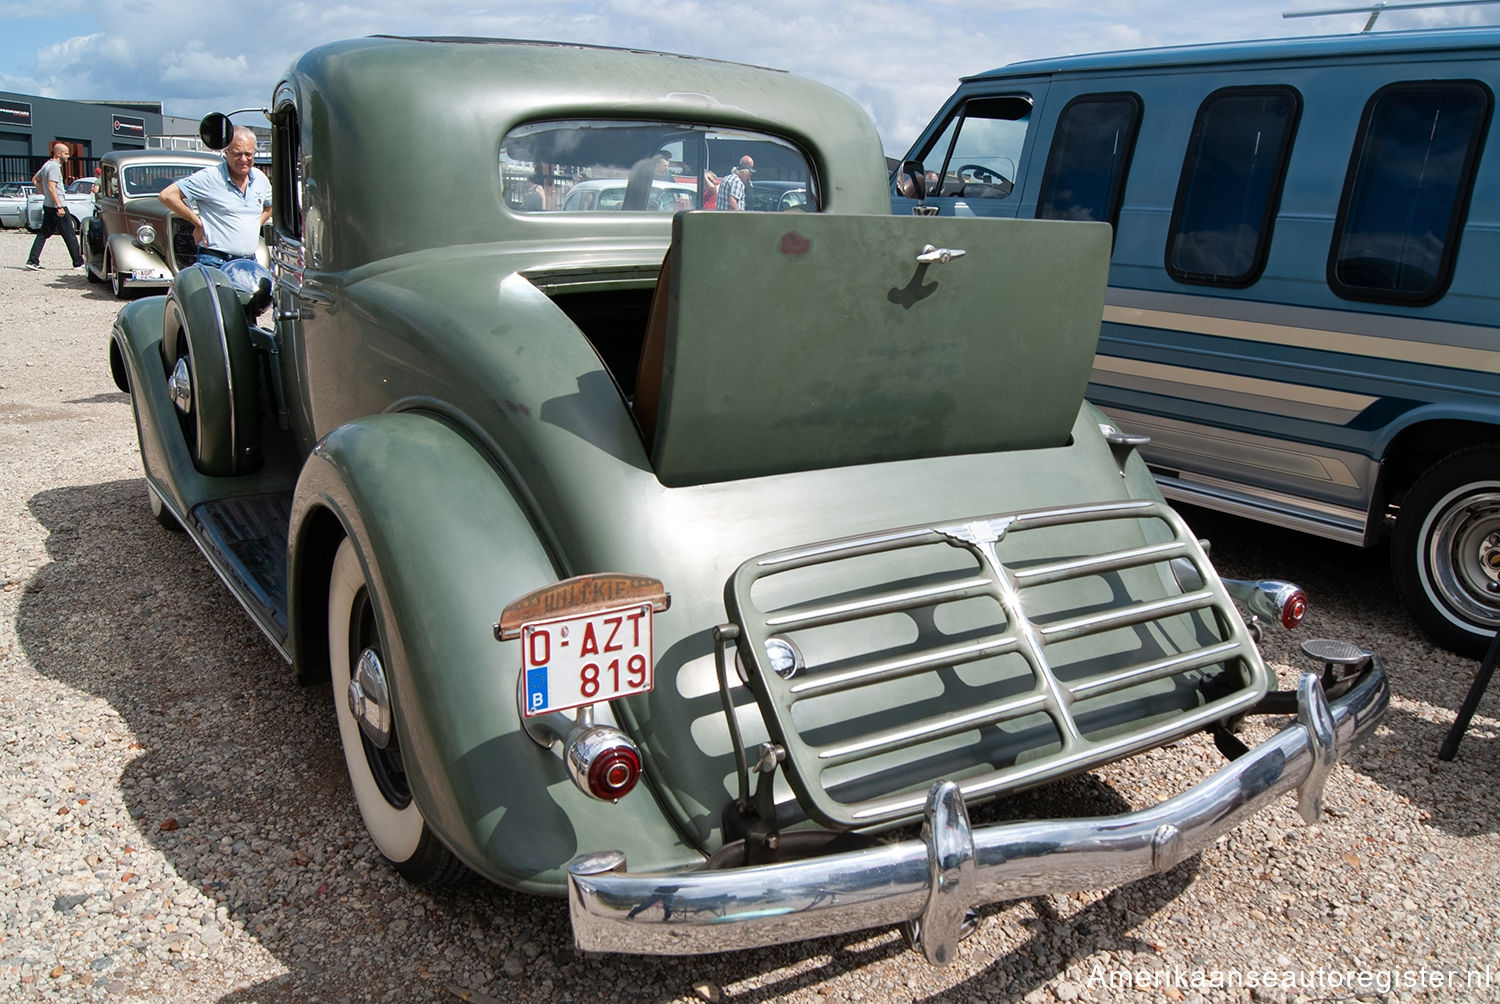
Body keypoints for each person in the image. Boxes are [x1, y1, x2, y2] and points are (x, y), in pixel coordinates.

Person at [159, 126, 271, 268]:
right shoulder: (210, 177)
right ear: (227, 152)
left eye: (248, 154)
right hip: (216, 261)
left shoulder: (260, 179)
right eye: (238, 154)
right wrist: (197, 222)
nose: (243, 159)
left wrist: (257, 223)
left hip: (248, 262)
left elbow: (272, 204)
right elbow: (167, 195)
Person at [24, 143, 84, 270]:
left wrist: (45, 195)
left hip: (48, 205)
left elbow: (35, 180)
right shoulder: (54, 167)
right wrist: (58, 205)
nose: (68, 156)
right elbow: (52, 187)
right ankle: (78, 262)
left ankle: (32, 260)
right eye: (66, 153)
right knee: (69, 234)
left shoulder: (46, 165)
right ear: (58, 154)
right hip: (58, 205)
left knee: (44, 233)